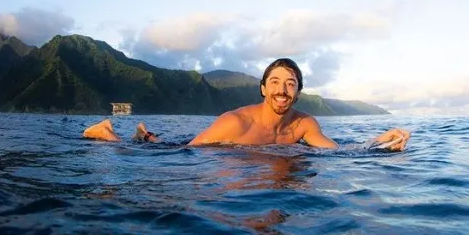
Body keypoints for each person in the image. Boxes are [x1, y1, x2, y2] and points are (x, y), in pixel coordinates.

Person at [82, 58, 411, 151]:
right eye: (276, 82)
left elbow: (336, 151)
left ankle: (145, 132)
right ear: (263, 89)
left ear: (297, 93)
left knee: (164, 141)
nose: (283, 90)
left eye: (291, 84)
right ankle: (111, 133)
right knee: (168, 146)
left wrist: (378, 143)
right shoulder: (235, 123)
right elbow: (187, 154)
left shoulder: (304, 125)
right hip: (204, 145)